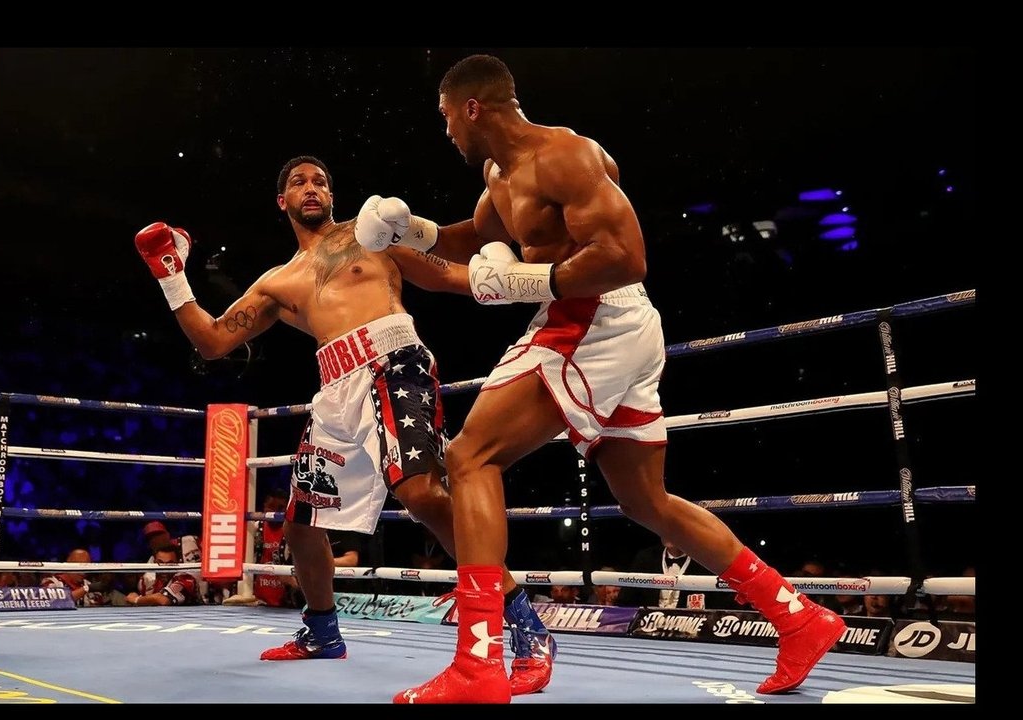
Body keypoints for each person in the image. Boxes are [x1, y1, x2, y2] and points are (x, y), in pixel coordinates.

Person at [380, 55, 845, 703]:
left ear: (471, 107)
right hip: (606, 323)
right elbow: (462, 244)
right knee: (644, 502)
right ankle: (798, 615)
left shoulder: (565, 156)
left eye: (445, 118)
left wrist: (528, 281)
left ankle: (480, 663)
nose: (446, 133)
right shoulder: (499, 177)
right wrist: (397, 233)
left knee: (470, 457)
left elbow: (627, 257)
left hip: (596, 315)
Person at [134, 156, 556, 694]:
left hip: (393, 362)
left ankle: (527, 629)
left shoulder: (370, 234)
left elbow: (448, 269)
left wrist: (530, 280)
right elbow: (214, 341)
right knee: (301, 523)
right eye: (298, 182)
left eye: (320, 181)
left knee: (423, 493)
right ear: (281, 201)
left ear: (332, 194)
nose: (311, 188)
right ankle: (322, 632)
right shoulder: (277, 281)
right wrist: (172, 276)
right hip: (335, 388)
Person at [125, 544, 201, 606]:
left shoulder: (186, 580)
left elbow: (164, 600)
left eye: (170, 564)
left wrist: (136, 599)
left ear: (178, 563)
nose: (164, 569)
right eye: (160, 563)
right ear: (154, 562)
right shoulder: (148, 581)